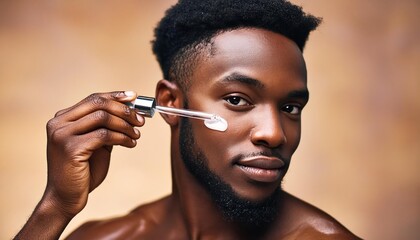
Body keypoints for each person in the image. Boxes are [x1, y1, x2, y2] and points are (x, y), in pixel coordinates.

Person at [15, 0, 361, 239]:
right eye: (237, 99)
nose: (274, 134)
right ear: (169, 102)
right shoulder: (111, 237)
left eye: (290, 108)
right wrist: (55, 207)